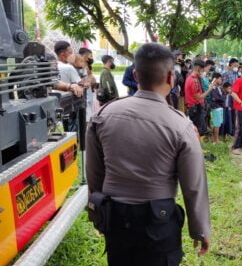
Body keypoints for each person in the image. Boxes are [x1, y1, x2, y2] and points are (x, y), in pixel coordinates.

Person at [86, 43, 211, 266]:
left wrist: (98, 215)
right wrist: (200, 230)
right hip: (158, 222)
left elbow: (94, 174)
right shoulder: (180, 125)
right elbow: (193, 185)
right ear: (171, 78)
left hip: (115, 218)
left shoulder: (103, 115)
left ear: (135, 74)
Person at [184, 60, 215, 135]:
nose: (202, 71)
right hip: (195, 109)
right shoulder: (194, 80)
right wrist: (209, 89)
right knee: (198, 131)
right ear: (198, 68)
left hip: (195, 108)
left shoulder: (192, 78)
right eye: (202, 70)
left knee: (200, 130)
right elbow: (199, 97)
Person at [209, 73, 224, 143]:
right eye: (220, 79)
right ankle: (216, 140)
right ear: (215, 78)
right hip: (216, 107)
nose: (221, 80)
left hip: (219, 106)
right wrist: (222, 99)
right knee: (216, 124)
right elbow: (215, 98)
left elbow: (222, 96)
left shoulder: (218, 87)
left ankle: (216, 138)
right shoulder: (212, 86)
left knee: (218, 123)